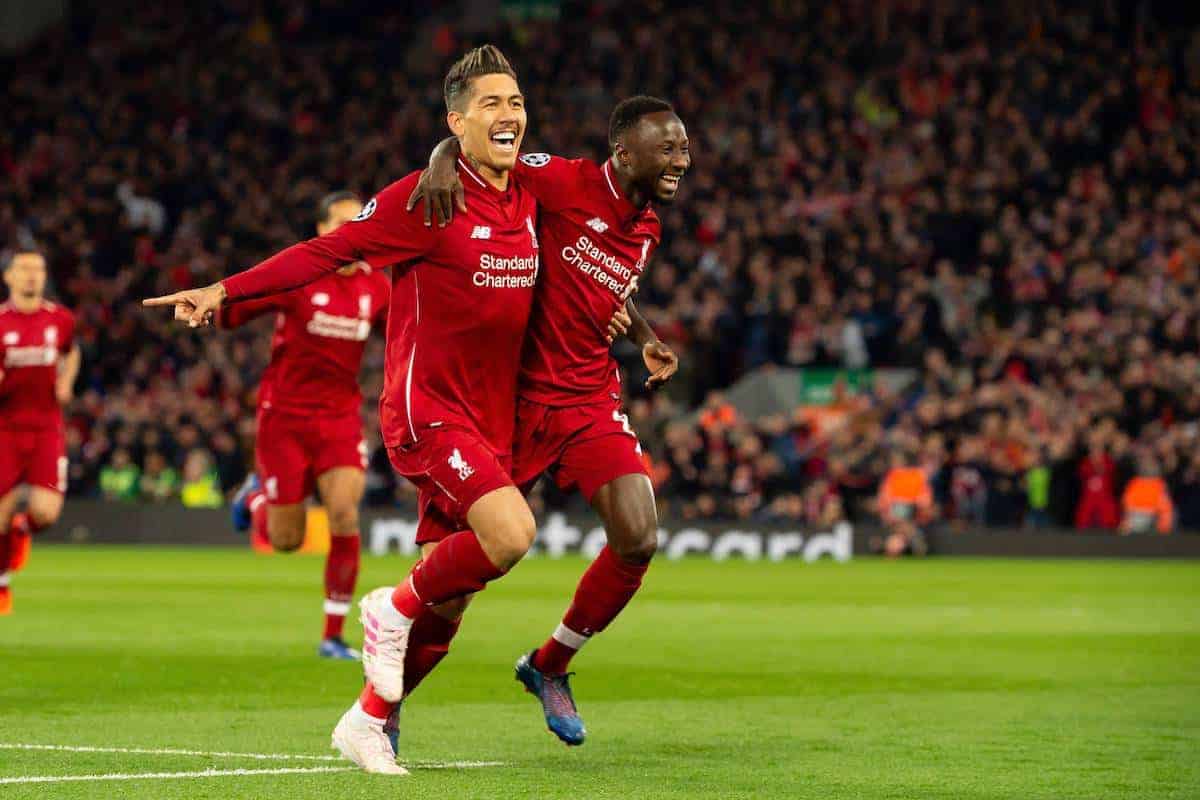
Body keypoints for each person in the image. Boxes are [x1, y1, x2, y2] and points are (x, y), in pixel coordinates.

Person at [144, 45, 541, 776]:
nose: (508, 115)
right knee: (512, 535)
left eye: (515, 102)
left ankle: (369, 721)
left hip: (493, 421)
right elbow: (322, 253)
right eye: (490, 103)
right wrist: (225, 291)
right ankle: (385, 607)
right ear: (456, 121)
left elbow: (594, 233)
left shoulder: (533, 190)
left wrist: (626, 324)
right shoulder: (425, 199)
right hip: (428, 412)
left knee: (450, 603)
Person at [404, 94, 688, 746]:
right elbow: (484, 155)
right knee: (453, 594)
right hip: (508, 400)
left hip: (587, 397)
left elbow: (610, 290)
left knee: (639, 534)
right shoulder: (562, 180)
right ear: (624, 152)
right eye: (668, 149)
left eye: (682, 147)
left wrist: (642, 333)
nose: (682, 160)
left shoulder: (648, 229)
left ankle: (549, 664)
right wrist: (442, 158)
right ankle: (385, 705)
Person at [221, 190, 390, 660]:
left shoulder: (376, 286)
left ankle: (333, 636)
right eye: (339, 221)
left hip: (338, 418)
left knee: (343, 514)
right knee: (287, 540)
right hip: (284, 419)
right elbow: (240, 304)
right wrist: (211, 307)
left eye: (357, 220)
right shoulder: (298, 276)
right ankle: (254, 494)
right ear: (319, 230)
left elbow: (405, 330)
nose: (349, 228)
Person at [0, 251, 80, 615]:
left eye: (38, 270)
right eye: (24, 270)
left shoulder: (60, 319)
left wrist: (65, 381)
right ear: (9, 277)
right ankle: (2, 583)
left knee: (45, 514)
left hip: (47, 427)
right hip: (6, 427)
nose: (32, 276)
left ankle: (23, 527)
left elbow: (71, 351)